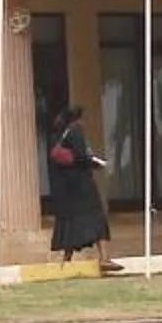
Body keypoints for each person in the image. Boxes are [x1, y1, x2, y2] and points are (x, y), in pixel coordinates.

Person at [47, 103, 111, 267]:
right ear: (79, 119)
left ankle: (66, 261)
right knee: (97, 217)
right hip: (82, 185)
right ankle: (104, 258)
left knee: (73, 222)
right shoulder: (76, 131)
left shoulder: (62, 134)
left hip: (69, 188)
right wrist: (97, 163)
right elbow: (81, 156)